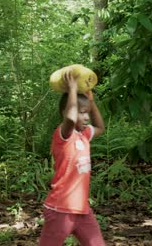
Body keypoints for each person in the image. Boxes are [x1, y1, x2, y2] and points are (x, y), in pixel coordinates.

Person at [39, 69, 106, 246]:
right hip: (60, 209)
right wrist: (73, 90)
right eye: (81, 112)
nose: (86, 117)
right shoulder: (64, 136)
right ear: (66, 111)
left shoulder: (85, 135)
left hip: (82, 211)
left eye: (87, 112)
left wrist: (92, 103)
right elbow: (70, 118)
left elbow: (100, 127)